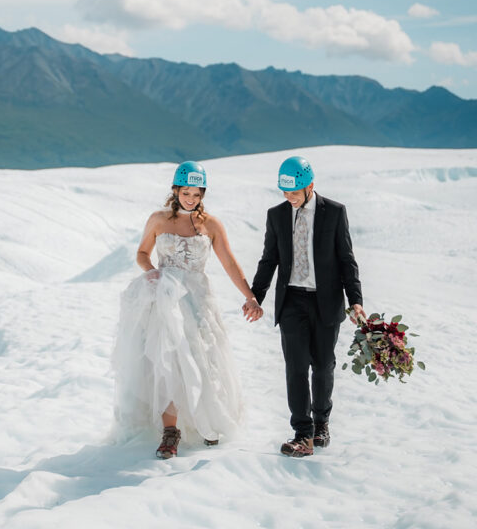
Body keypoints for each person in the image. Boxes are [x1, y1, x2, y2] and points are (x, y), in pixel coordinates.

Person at [112, 161, 262, 459]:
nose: (191, 199)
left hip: (197, 299)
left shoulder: (212, 225)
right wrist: (151, 271)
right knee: (167, 361)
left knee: (202, 359)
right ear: (176, 190)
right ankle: (171, 431)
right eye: (186, 192)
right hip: (165, 299)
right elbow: (142, 253)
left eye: (197, 193)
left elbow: (229, 263)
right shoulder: (158, 219)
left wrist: (251, 297)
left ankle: (208, 421)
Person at [244, 156, 365, 457]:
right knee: (295, 366)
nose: (289, 198)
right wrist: (255, 297)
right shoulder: (276, 215)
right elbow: (268, 259)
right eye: (285, 193)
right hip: (292, 301)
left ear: (310, 185)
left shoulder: (335, 212)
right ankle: (302, 433)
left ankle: (321, 421)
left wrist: (357, 301)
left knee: (323, 365)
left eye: (294, 193)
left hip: (326, 301)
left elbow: (347, 260)